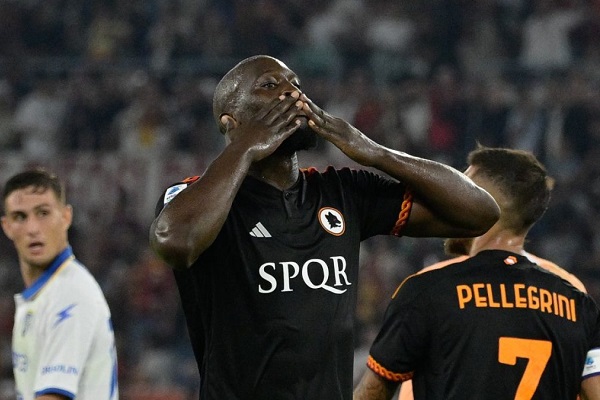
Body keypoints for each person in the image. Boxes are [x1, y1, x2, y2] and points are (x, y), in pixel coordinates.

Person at [149, 54, 500, 400]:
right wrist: (244, 148)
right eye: (269, 85)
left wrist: (376, 153)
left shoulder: (341, 191)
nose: (292, 93)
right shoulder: (195, 198)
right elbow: (175, 242)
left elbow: (479, 213)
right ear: (231, 121)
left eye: (296, 85)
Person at [353, 146, 600, 400]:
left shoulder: (428, 291)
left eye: (461, 189)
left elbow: (372, 394)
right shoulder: (578, 303)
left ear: (481, 203)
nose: (447, 201)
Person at [1, 169, 119, 400]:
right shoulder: (45, 294)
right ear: (7, 226)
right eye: (20, 217)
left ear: (66, 217)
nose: (33, 228)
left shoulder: (70, 295)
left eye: (43, 213)